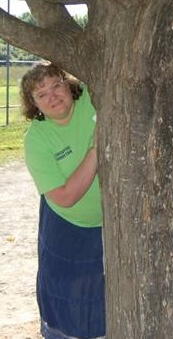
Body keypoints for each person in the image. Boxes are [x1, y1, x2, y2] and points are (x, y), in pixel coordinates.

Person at [20, 62, 105, 339]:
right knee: (68, 300)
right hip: (67, 227)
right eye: (41, 94)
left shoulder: (95, 99)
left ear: (68, 84)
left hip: (111, 225)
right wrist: (97, 149)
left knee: (105, 296)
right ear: (33, 104)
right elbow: (66, 197)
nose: (52, 96)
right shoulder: (37, 139)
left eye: (56, 86)